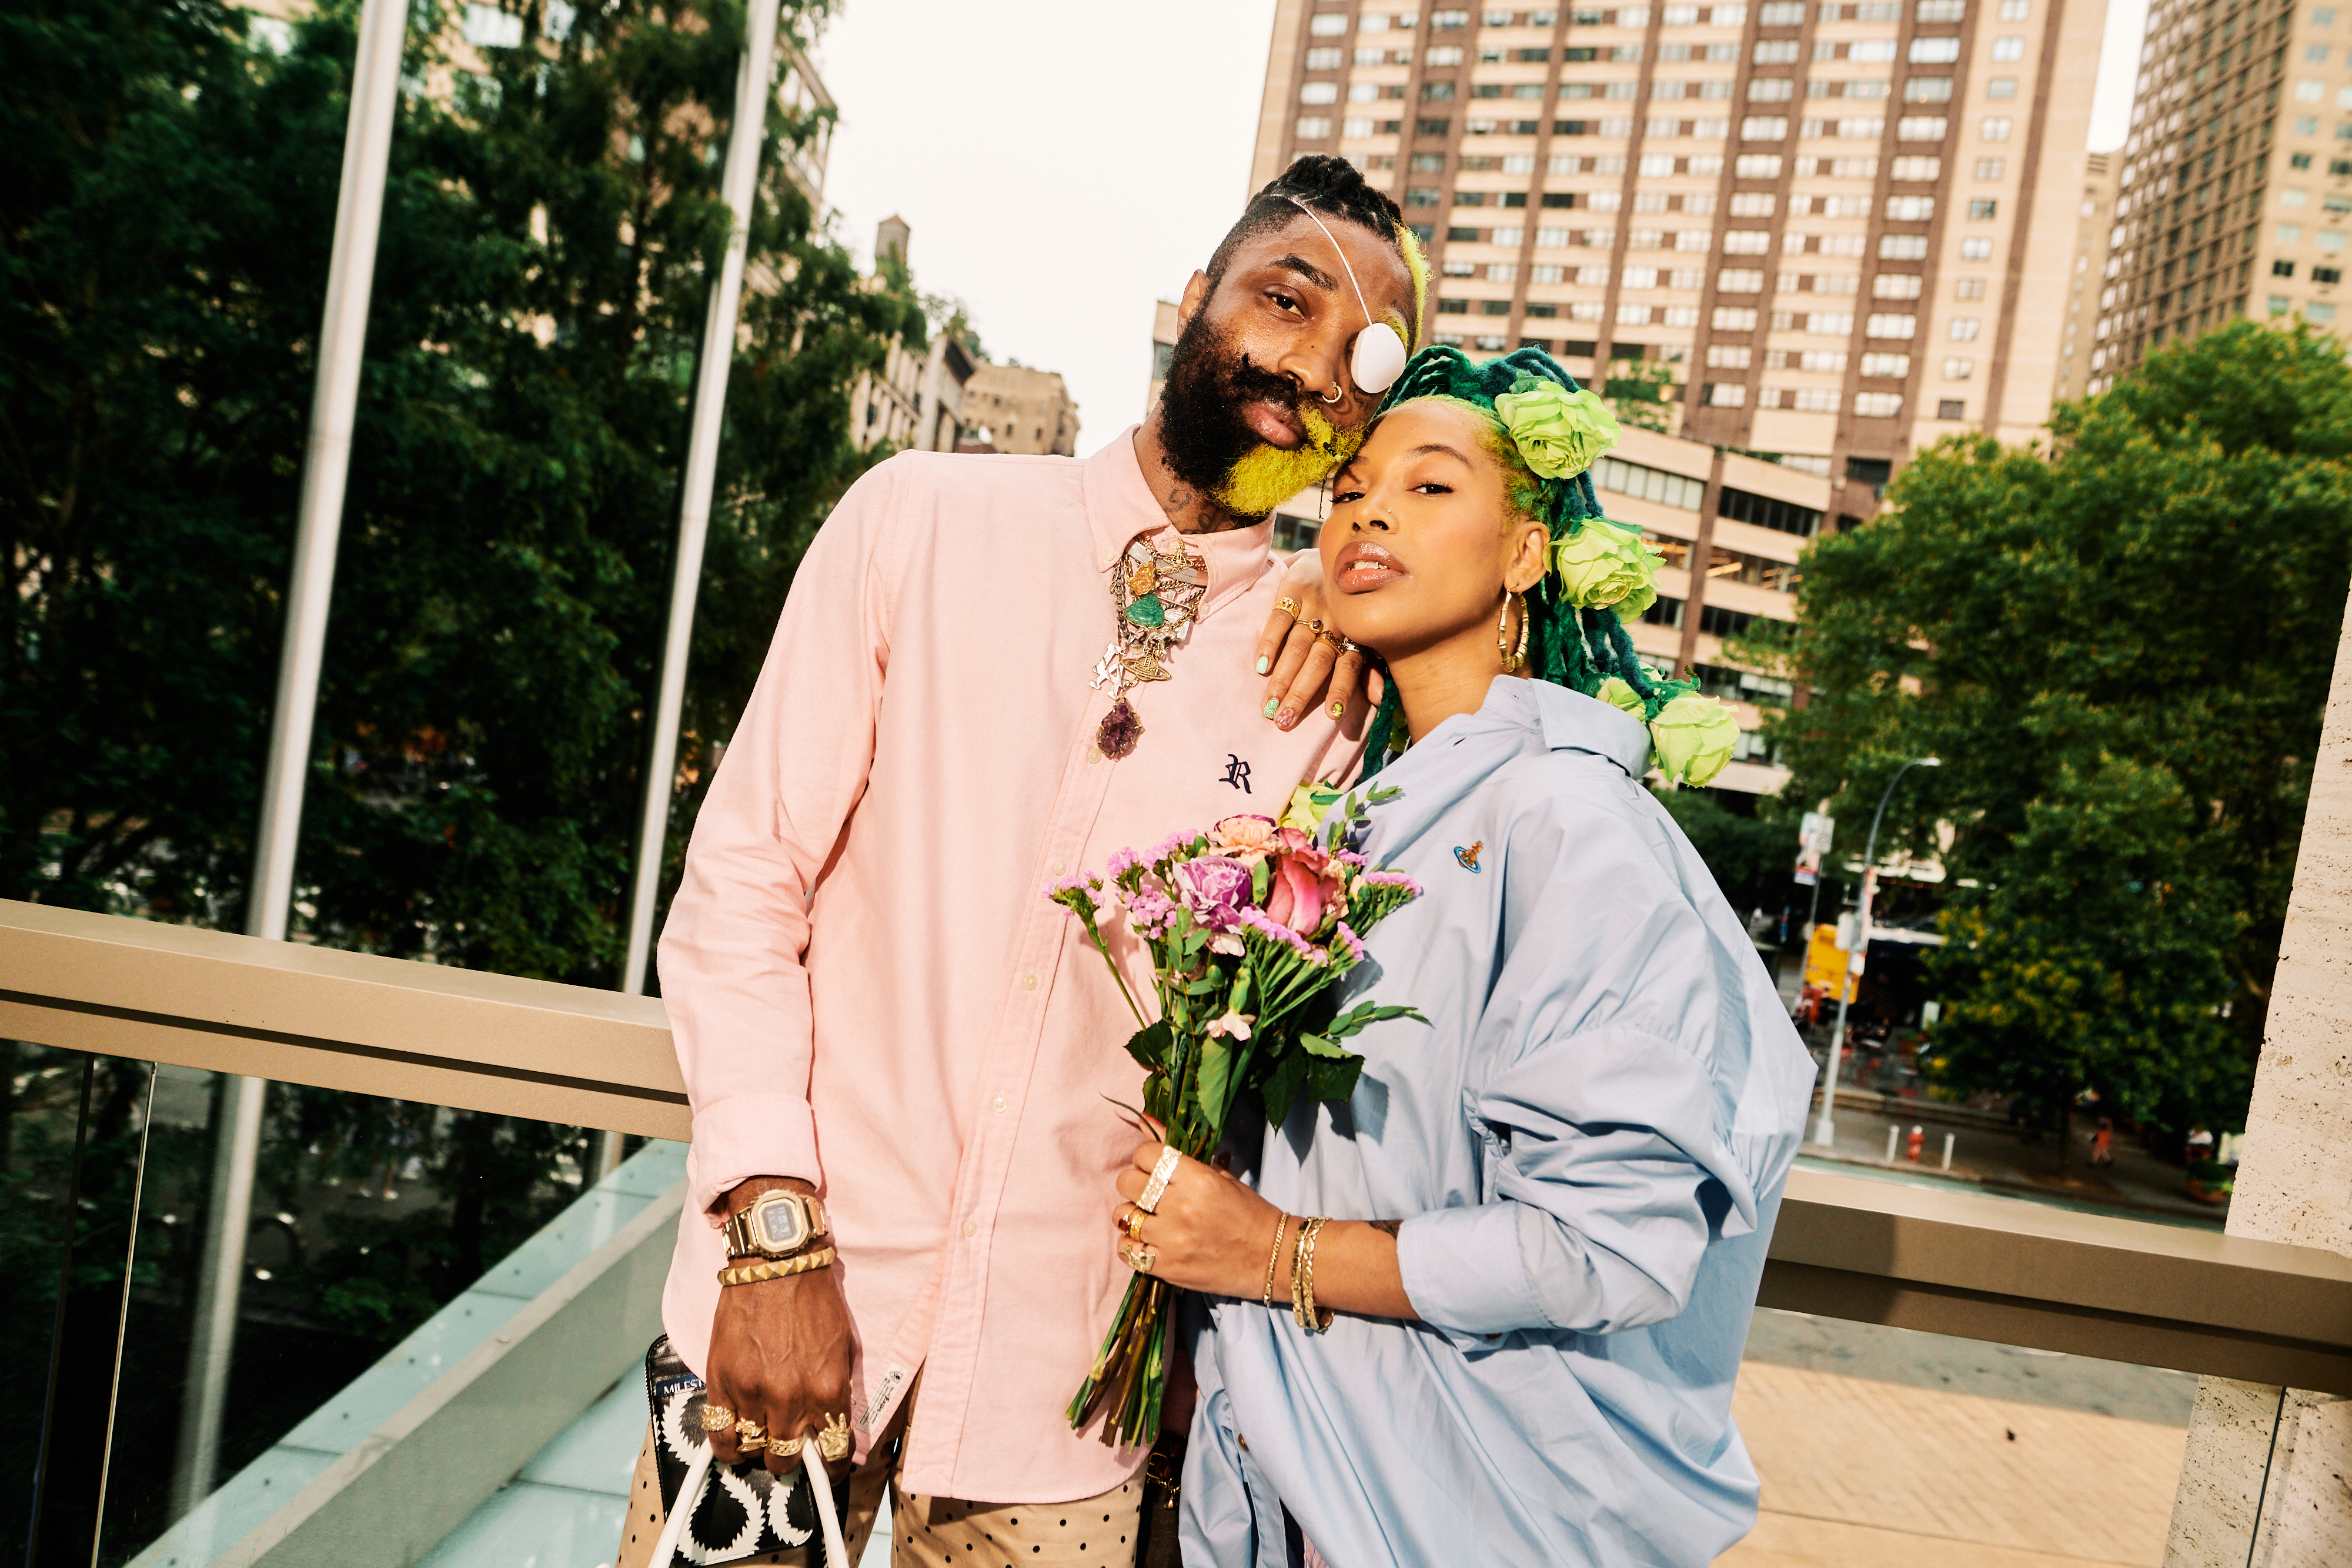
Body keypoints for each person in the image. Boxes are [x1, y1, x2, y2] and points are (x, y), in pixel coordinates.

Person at [613, 156, 1430, 1568]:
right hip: (774, 1319)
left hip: (1066, 1409)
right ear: (1193, 299)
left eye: (1353, 354)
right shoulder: (920, 522)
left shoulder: (1323, 688)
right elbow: (743, 883)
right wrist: (772, 1234)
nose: (1302, 364)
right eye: (1280, 301)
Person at [1105, 346, 1818, 1566]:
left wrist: (1270, 1251)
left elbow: (1605, 1244)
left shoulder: (1568, 822)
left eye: (1430, 489)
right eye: (1346, 491)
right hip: (1303, 1492)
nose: (1368, 509)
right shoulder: (1361, 810)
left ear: (1528, 552)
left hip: (1466, 1509)